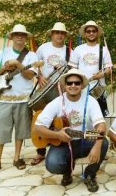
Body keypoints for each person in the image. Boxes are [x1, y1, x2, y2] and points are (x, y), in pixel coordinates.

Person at [34, 68, 108, 192]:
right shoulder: (57, 102)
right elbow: (38, 127)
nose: (73, 85)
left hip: (85, 136)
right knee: (53, 164)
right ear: (65, 85)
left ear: (81, 85)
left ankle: (90, 174)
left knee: (103, 142)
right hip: (63, 142)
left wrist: (97, 145)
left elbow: (101, 125)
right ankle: (67, 170)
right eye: (69, 83)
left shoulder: (90, 101)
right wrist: (57, 135)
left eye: (77, 83)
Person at [0, 24, 38, 175]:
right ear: (12, 37)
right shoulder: (2, 53)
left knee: (21, 132)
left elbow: (30, 75)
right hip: (4, 98)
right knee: (0, 131)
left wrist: (19, 65)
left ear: (26, 38)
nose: (20, 37)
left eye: (22, 35)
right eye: (17, 34)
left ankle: (17, 158)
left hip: (23, 99)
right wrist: (3, 68)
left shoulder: (32, 56)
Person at [31, 22, 71, 166]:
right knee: (41, 117)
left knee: (60, 119)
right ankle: (40, 151)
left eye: (62, 33)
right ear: (52, 34)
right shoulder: (43, 48)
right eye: (57, 33)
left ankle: (58, 147)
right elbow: (35, 64)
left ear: (65, 36)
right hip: (44, 90)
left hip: (60, 92)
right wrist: (39, 76)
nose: (60, 35)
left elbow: (71, 71)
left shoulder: (69, 51)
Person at [69, 20, 112, 116]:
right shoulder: (78, 49)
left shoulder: (103, 50)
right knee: (81, 116)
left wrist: (102, 74)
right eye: (88, 31)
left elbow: (108, 69)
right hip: (81, 90)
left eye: (93, 31)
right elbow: (72, 70)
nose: (91, 33)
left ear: (97, 33)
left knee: (99, 118)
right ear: (85, 33)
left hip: (98, 90)